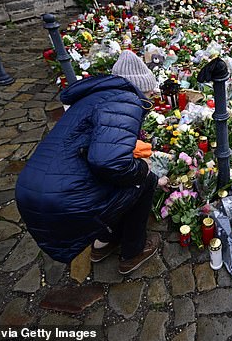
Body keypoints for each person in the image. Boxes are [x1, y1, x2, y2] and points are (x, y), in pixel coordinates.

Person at [15, 50, 171, 274]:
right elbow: (111, 163)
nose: (151, 97)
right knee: (140, 182)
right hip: (63, 198)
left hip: (36, 188)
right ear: (141, 87)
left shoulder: (95, 96)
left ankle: (103, 242)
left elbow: (100, 152)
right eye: (150, 92)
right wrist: (146, 171)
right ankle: (133, 252)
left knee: (125, 181)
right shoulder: (126, 100)